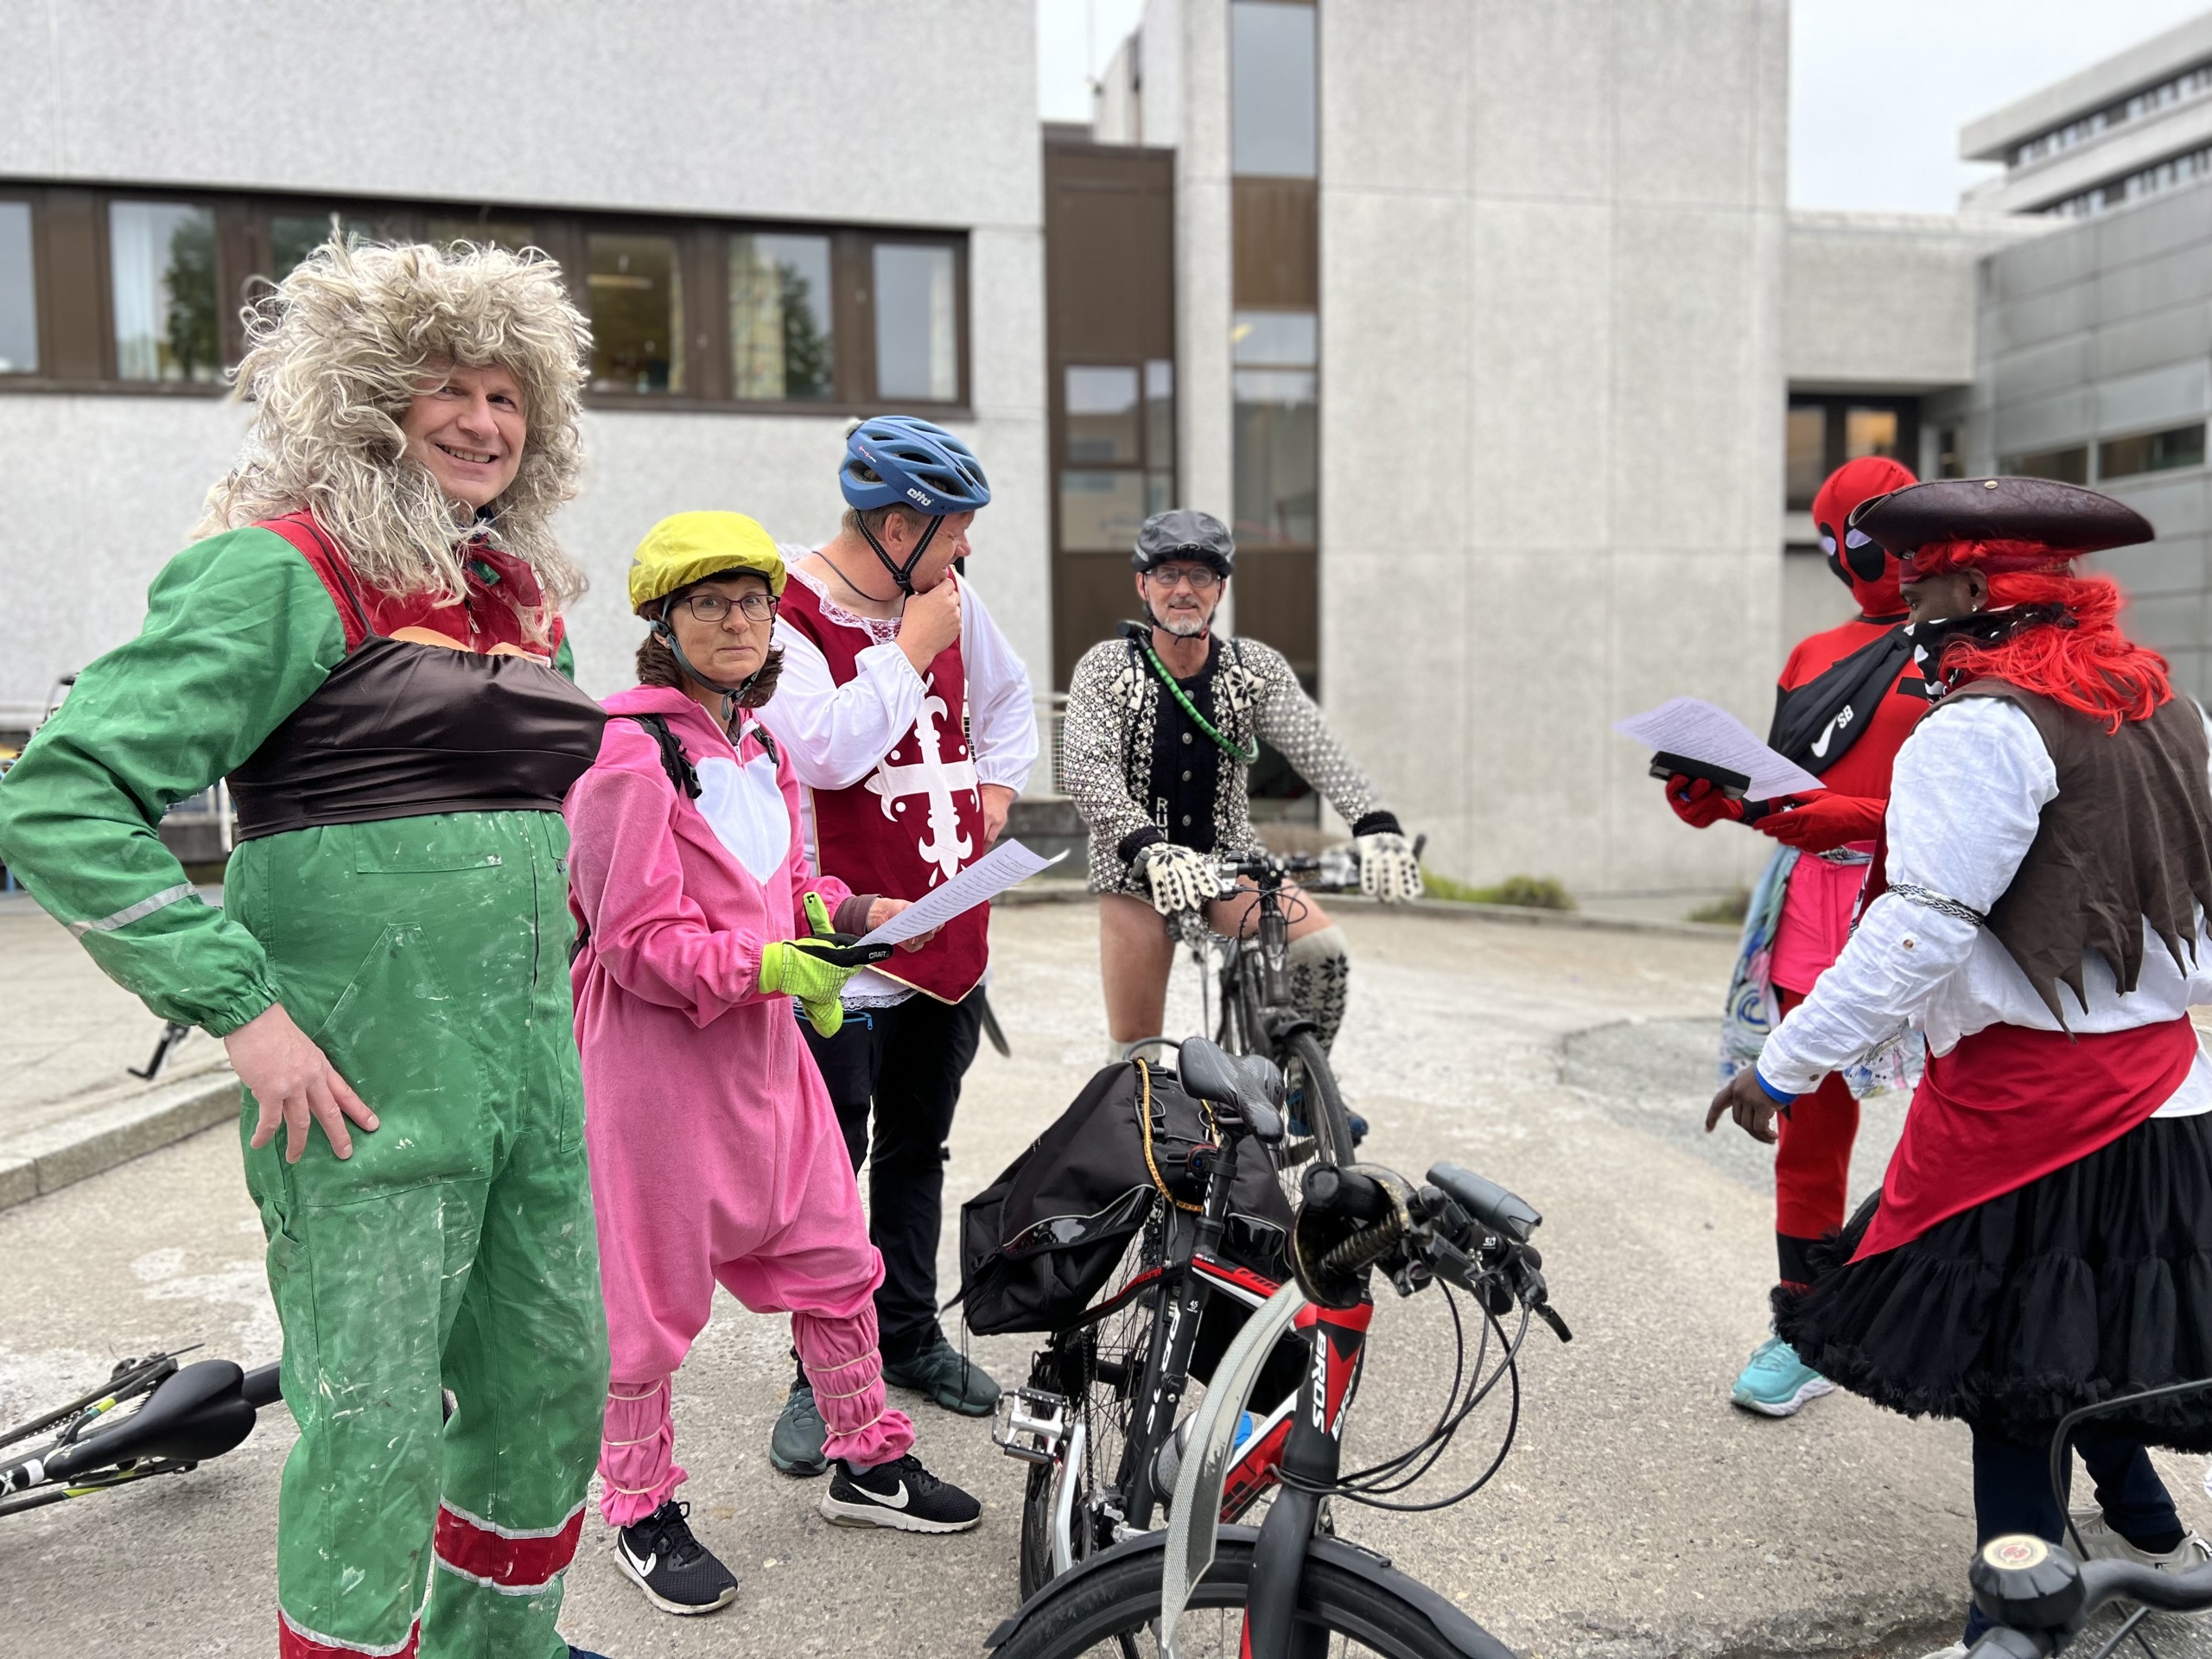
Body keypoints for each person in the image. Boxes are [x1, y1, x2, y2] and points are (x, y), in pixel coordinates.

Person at [0, 241, 613, 1659]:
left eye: (507, 394)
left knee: (550, 1386)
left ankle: (500, 1645)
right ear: (368, 400)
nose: (483, 421)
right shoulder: (280, 570)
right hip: (357, 1093)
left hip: (528, 1079)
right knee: (373, 1428)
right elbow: (60, 796)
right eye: (447, 388)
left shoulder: (521, 593)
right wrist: (243, 1011)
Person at [1706, 476, 2212, 1657]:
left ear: (1975, 589)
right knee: (2082, 1332)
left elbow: (1922, 926)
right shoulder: (2168, 705)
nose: (1908, 606)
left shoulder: (1977, 727)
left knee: (2014, 1372)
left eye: (1922, 585)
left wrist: (1782, 1065)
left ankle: (2010, 1629)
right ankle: (2155, 1540)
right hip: (2169, 1092)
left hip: (2034, 1110)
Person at [566, 512, 982, 1617]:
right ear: (662, 623)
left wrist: (852, 912)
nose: (737, 621)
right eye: (708, 604)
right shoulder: (624, 755)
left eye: (751, 601)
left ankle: (866, 1458)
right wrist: (770, 967)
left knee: (834, 1252)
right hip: (654, 1069)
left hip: (763, 1048)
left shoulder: (758, 744)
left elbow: (787, 888)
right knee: (645, 1300)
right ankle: (640, 1509)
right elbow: (633, 943)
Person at [753, 416, 1038, 1471]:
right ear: (900, 525)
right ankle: (818, 1374)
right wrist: (910, 650)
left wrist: (998, 782)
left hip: (947, 930)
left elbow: (1007, 698)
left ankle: (909, 1334)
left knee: (920, 1149)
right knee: (829, 1167)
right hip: (842, 942)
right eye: (954, 529)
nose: (966, 550)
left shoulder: (950, 597)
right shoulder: (784, 611)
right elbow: (822, 752)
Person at [1664, 455, 1932, 1416]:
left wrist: (1859, 821)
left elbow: (1986, 801)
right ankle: (1806, 1327)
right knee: (1808, 1129)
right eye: (1845, 538)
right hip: (1811, 902)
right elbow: (1793, 798)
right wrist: (1720, 802)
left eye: (1873, 535)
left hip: (1932, 899)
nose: (1862, 557)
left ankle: (1947, 1315)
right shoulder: (1812, 655)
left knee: (1961, 1121)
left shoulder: (1967, 644)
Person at [1058, 508, 1423, 1062]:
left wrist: (1374, 824)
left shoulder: (1252, 669)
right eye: (1167, 574)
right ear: (1142, 585)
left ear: (1220, 589)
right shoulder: (1107, 667)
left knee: (1322, 951)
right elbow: (1088, 768)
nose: (1183, 589)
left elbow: (1316, 747)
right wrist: (1146, 845)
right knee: (1135, 1052)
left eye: (1201, 575)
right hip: (1135, 872)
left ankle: (1295, 1087)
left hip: (1227, 862)